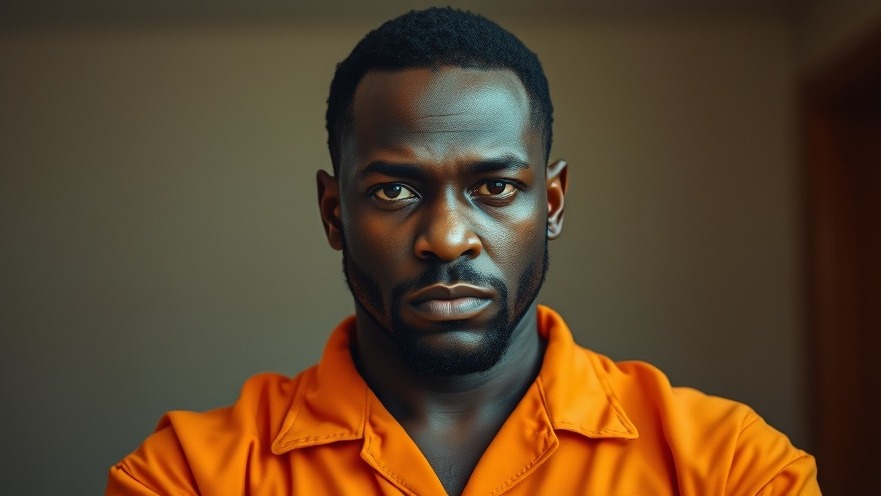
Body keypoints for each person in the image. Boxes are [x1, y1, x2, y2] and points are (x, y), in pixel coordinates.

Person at [106, 7, 820, 495]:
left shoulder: (731, 467)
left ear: (551, 203)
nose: (447, 238)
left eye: (495, 187)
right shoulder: (188, 476)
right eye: (393, 192)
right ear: (333, 213)